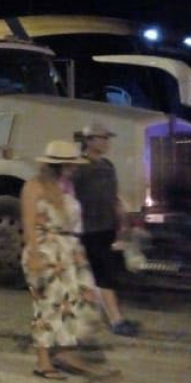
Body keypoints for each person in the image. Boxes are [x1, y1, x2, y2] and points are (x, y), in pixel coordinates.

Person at [22, 140, 119, 379]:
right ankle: (43, 362)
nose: (74, 168)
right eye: (69, 165)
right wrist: (34, 254)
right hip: (47, 251)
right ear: (58, 165)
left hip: (69, 250)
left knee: (78, 302)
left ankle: (66, 351)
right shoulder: (34, 186)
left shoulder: (66, 186)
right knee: (48, 305)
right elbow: (28, 223)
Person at [72, 122, 138, 337]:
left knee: (100, 276)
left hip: (105, 229)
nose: (107, 142)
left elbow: (114, 197)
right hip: (87, 231)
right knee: (100, 276)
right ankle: (115, 321)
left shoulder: (107, 166)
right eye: (103, 138)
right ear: (89, 140)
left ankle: (102, 319)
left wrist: (123, 223)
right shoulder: (78, 169)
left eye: (107, 138)